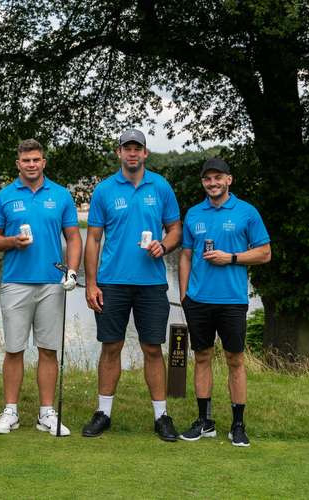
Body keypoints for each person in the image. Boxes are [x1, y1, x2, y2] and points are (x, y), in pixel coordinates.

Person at [82, 129, 183, 441]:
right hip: (111, 282)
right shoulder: (104, 190)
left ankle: (161, 416)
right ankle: (103, 413)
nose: (132, 153)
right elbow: (94, 238)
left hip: (151, 283)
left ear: (145, 153)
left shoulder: (161, 186)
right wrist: (91, 283)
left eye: (137, 148)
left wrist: (164, 246)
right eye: (127, 148)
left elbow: (175, 229)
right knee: (111, 346)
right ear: (119, 153)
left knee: (152, 348)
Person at [0, 139, 82, 436]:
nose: (31, 164)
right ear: (18, 163)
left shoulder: (61, 195)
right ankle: (11, 411)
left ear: (43, 162)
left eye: (36, 160)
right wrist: (12, 241)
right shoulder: (5, 197)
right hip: (15, 282)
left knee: (48, 350)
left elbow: (74, 238)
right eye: (26, 160)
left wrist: (73, 271)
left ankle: (46, 413)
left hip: (52, 282)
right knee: (14, 349)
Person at [178, 158, 271, 447]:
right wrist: (184, 294)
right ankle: (205, 422)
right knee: (202, 358)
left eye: (218, 178)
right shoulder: (194, 214)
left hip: (232, 300)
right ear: (203, 183)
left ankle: (238, 424)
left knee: (235, 360)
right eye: (208, 179)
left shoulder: (246, 212)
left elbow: (265, 253)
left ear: (229, 180)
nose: (213, 183)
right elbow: (185, 255)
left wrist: (230, 258)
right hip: (198, 299)